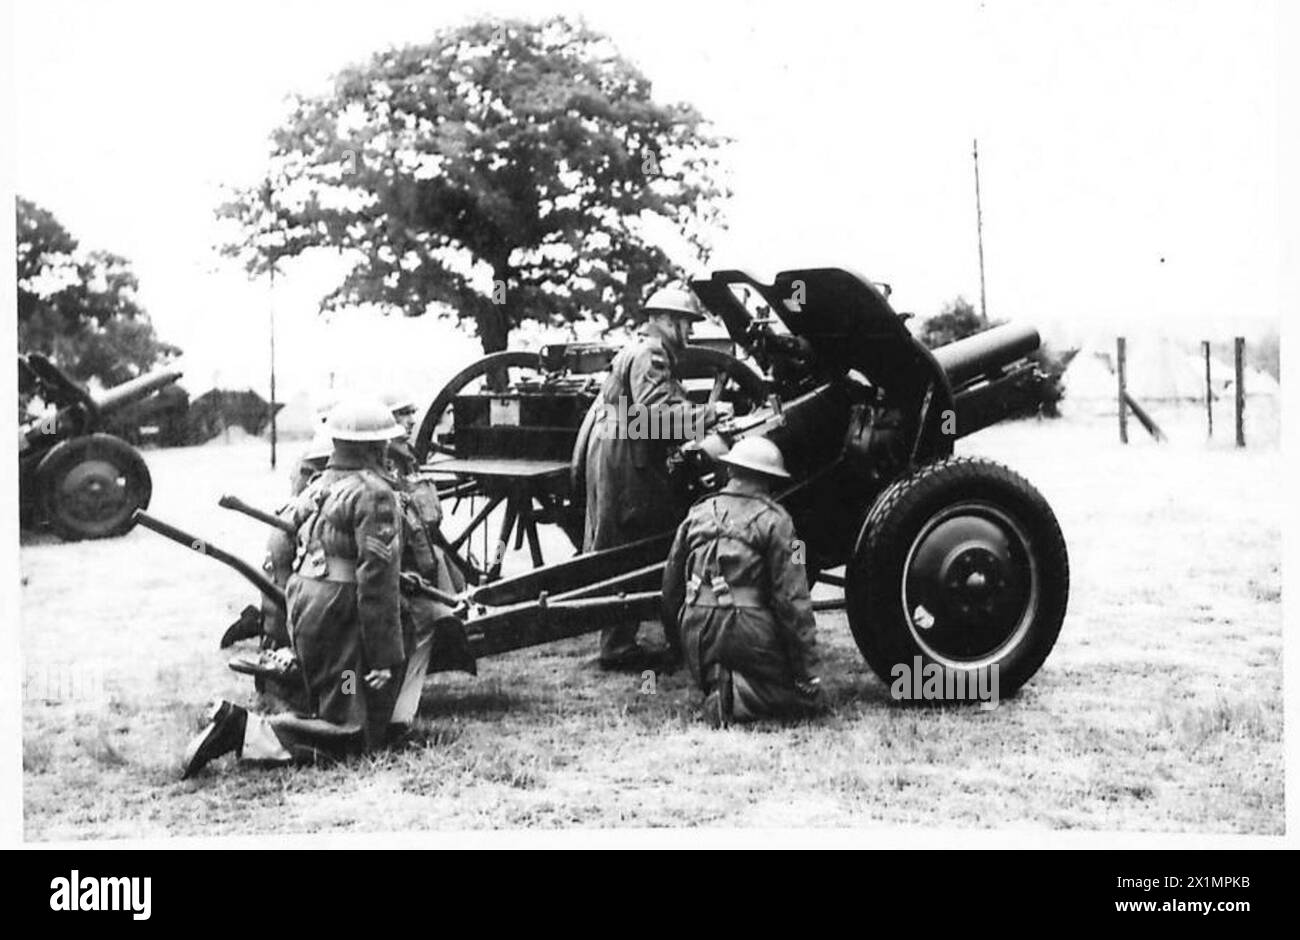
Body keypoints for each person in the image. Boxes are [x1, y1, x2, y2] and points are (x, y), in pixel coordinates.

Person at [181, 396, 408, 777]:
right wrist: (383, 657)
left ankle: (312, 716)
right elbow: (376, 581)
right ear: (375, 446)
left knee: (337, 695)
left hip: (305, 602)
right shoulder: (375, 494)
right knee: (350, 729)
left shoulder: (319, 485)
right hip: (341, 611)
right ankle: (244, 729)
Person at [582, 286, 719, 670]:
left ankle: (619, 640)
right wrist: (706, 417)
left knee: (617, 543)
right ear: (665, 320)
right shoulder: (652, 354)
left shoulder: (634, 349)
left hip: (613, 453)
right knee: (634, 542)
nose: (689, 333)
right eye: (686, 324)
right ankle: (618, 647)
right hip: (630, 460)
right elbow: (652, 417)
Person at [662, 436, 824, 727]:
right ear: (767, 480)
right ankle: (735, 697)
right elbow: (792, 601)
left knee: (726, 660)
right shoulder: (776, 520)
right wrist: (807, 671)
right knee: (806, 700)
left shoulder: (697, 512)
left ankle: (717, 681)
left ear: (732, 471)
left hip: (695, 628)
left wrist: (681, 647)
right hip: (744, 628)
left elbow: (671, 587)